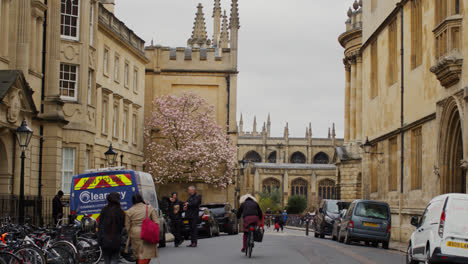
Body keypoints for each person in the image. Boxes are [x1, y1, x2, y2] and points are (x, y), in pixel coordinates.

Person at [125, 194, 158, 264]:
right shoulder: (149, 208)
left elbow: (127, 226)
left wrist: (130, 234)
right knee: (147, 253)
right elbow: (156, 222)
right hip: (148, 232)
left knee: (139, 254)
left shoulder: (129, 211)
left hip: (135, 233)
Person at [97, 192, 125, 264]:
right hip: (116, 240)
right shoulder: (120, 211)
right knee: (115, 259)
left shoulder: (104, 210)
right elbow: (123, 226)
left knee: (107, 260)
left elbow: (100, 225)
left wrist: (100, 239)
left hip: (105, 240)